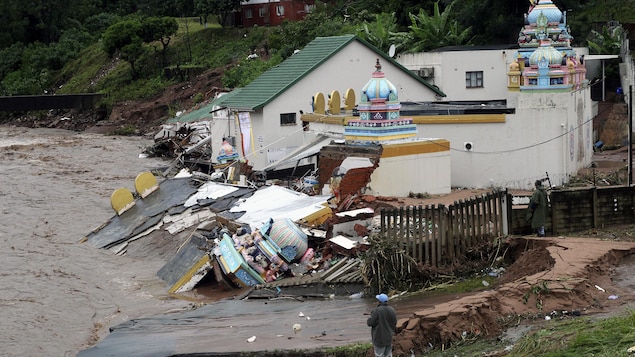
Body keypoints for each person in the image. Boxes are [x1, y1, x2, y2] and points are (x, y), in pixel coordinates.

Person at [367, 293, 397, 357]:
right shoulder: (392, 310)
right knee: (388, 355)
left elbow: (371, 323)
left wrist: (370, 318)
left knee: (379, 355)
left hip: (379, 339)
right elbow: (395, 322)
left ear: (379, 302)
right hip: (389, 338)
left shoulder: (377, 310)